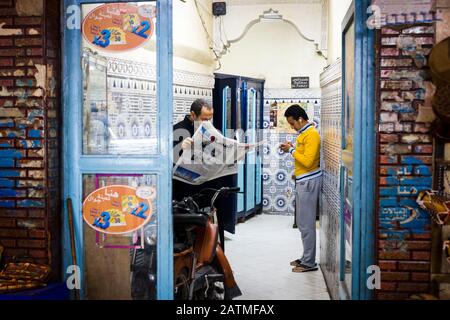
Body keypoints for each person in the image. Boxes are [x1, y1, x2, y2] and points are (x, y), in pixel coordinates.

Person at [173, 99, 228, 250]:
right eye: (204, 119)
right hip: (186, 192)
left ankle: (216, 262)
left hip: (209, 189)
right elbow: (170, 165)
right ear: (192, 114)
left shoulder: (211, 131)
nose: (207, 122)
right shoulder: (178, 131)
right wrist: (182, 150)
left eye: (210, 118)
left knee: (214, 228)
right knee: (191, 233)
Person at [280, 105, 322, 273]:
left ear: (300, 119)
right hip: (304, 180)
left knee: (306, 224)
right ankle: (306, 258)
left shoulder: (311, 134)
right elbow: (304, 158)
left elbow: (308, 162)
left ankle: (309, 263)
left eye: (292, 123)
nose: (292, 126)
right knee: (304, 223)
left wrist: (291, 150)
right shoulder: (304, 134)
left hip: (309, 182)